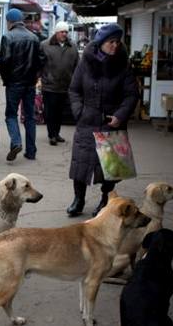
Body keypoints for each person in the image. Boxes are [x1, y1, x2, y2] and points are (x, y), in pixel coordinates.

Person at [66, 23, 138, 217]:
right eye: (110, 42)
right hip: (87, 121)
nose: (114, 45)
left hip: (111, 123)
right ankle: (78, 199)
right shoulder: (85, 62)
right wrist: (79, 111)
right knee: (81, 164)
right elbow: (74, 90)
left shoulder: (123, 65)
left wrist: (120, 115)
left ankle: (106, 201)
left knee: (110, 168)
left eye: (117, 42)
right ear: (101, 42)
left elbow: (131, 95)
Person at [0, 8, 41, 161]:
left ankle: (16, 142)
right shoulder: (34, 38)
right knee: (30, 117)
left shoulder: (8, 37)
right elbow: (40, 61)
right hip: (29, 83)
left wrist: (6, 79)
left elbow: (3, 62)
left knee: (11, 115)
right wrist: (36, 77)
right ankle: (31, 151)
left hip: (14, 83)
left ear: (10, 22)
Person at [38, 20, 79, 146]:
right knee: (50, 111)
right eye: (62, 32)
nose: (64, 34)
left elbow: (77, 65)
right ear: (56, 32)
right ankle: (52, 135)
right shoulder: (45, 45)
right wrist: (40, 79)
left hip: (65, 85)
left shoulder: (72, 47)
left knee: (60, 111)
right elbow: (39, 64)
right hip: (49, 85)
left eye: (66, 32)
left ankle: (57, 133)